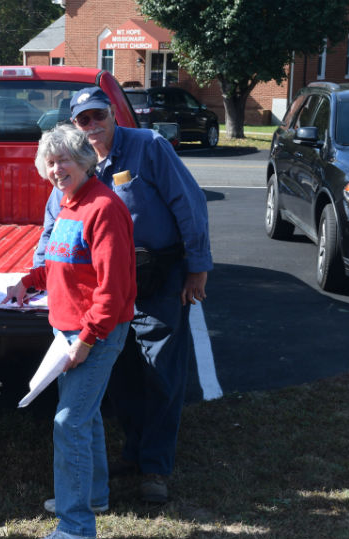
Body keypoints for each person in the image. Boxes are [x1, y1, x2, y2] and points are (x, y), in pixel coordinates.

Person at [34, 87, 213, 504]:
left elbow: (188, 204)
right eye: (83, 120)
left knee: (161, 369)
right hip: (104, 284)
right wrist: (40, 276)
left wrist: (197, 267)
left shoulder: (148, 147)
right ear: (74, 126)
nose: (92, 126)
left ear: (114, 114)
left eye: (98, 116)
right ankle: (133, 453)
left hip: (158, 274)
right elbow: (51, 225)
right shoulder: (72, 163)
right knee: (123, 371)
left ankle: (155, 468)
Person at [4, 124, 135, 539]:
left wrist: (87, 339)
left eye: (65, 160)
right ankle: (92, 497)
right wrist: (28, 281)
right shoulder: (67, 202)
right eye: (51, 161)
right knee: (87, 415)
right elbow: (61, 260)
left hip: (92, 334)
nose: (57, 168)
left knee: (69, 422)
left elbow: (112, 289)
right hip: (69, 332)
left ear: (84, 161)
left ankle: (76, 526)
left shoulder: (103, 207)